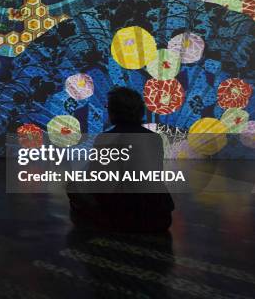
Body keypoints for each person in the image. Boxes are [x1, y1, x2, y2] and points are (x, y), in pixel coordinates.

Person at [67, 86, 175, 232]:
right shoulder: (154, 138)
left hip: (125, 220)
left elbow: (99, 183)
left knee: (73, 186)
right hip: (160, 218)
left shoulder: (106, 139)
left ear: (113, 111)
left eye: (108, 107)